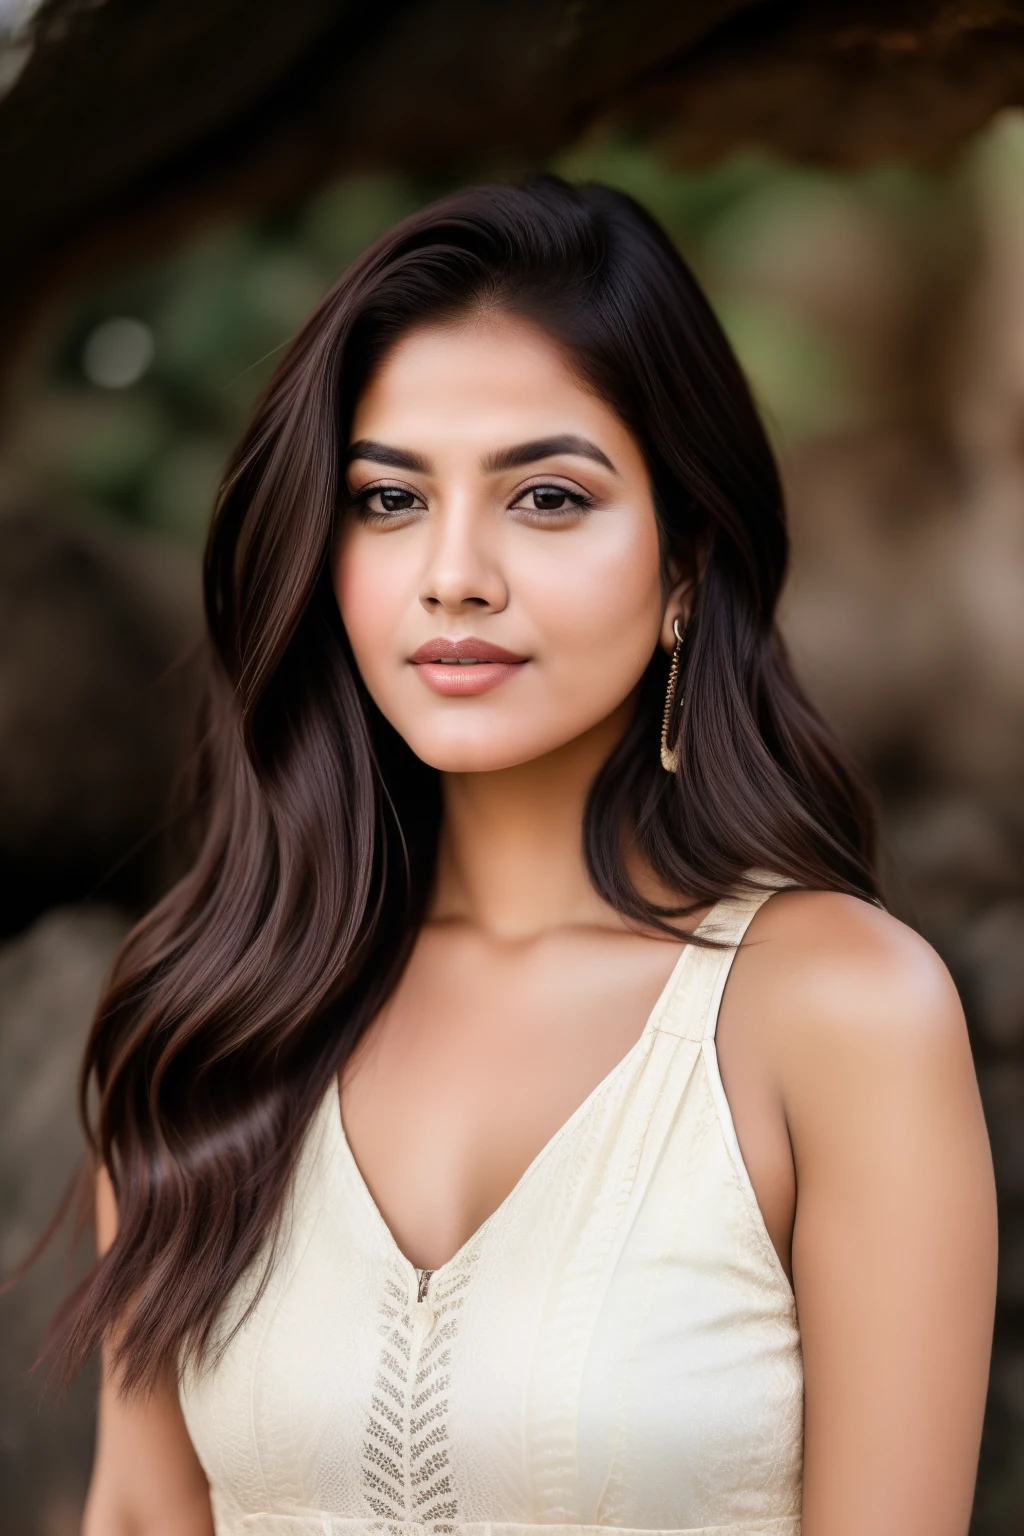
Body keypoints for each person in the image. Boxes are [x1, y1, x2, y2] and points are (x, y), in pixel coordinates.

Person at [66, 175, 996, 1535]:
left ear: (684, 563)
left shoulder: (839, 1012)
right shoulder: (204, 1014)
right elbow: (143, 1515)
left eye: (547, 497)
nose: (455, 572)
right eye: (387, 500)